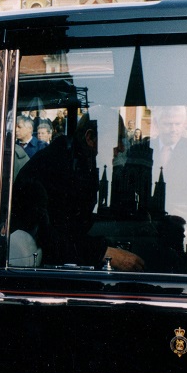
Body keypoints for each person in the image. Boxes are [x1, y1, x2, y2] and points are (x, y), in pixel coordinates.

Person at [12, 111, 145, 272]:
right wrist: (104, 252)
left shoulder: (79, 162)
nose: (121, 148)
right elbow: (53, 235)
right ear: (90, 138)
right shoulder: (57, 168)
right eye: (117, 140)